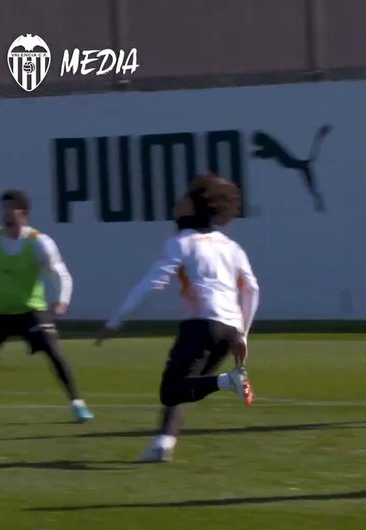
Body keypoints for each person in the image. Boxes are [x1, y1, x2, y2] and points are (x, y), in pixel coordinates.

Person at [97, 174, 259, 461]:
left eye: (185, 198)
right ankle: (163, 443)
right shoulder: (230, 246)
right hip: (229, 330)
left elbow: (152, 284)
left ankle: (228, 382)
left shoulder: (181, 242)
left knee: (171, 391)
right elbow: (252, 288)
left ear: (195, 207)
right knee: (186, 385)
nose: (177, 201)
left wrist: (116, 319)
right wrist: (242, 334)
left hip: (201, 326)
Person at [0, 189, 92, 422]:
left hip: (31, 312)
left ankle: (77, 403)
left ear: (23, 212)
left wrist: (62, 300)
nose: (5, 213)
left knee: (54, 353)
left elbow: (61, 274)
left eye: (10, 208)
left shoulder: (39, 242)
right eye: (3, 208)